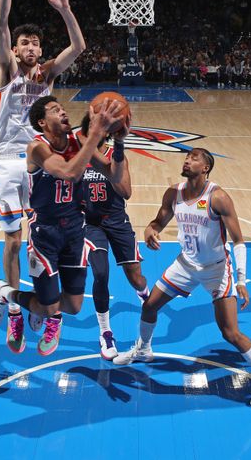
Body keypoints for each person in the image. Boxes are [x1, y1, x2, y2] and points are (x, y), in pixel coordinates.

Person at [112, 148, 251, 408]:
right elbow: (158, 221)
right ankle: (144, 349)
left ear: (206, 168)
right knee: (150, 305)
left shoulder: (218, 197)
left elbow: (238, 241)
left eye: (194, 158)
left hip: (216, 269)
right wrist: (150, 229)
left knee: (230, 332)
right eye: (186, 156)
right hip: (186, 264)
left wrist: (241, 280)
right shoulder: (174, 193)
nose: (187, 160)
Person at [0, 0, 86, 353]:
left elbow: (77, 47)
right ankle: (13, 310)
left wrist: (65, 10)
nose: (28, 46)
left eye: (34, 43)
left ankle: (41, 304)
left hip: (40, 162)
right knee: (13, 242)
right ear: (14, 50)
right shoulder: (8, 72)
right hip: (5, 163)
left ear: (40, 51)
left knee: (39, 240)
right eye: (23, 42)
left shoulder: (47, 76)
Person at [0, 96, 123, 356]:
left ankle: (11, 295)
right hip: (46, 233)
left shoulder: (79, 142)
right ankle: (5, 292)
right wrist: (95, 134)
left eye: (63, 108)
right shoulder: (36, 148)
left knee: (72, 306)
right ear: (42, 122)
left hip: (74, 230)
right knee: (49, 307)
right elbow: (69, 172)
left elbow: (114, 176)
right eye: (55, 110)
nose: (63, 112)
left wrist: (118, 141)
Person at [78, 113, 149, 360]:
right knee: (100, 274)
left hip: (117, 221)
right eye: (90, 129)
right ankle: (105, 332)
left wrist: (108, 167)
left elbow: (126, 191)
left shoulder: (116, 157)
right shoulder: (77, 158)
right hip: (92, 224)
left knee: (136, 279)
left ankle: (145, 298)